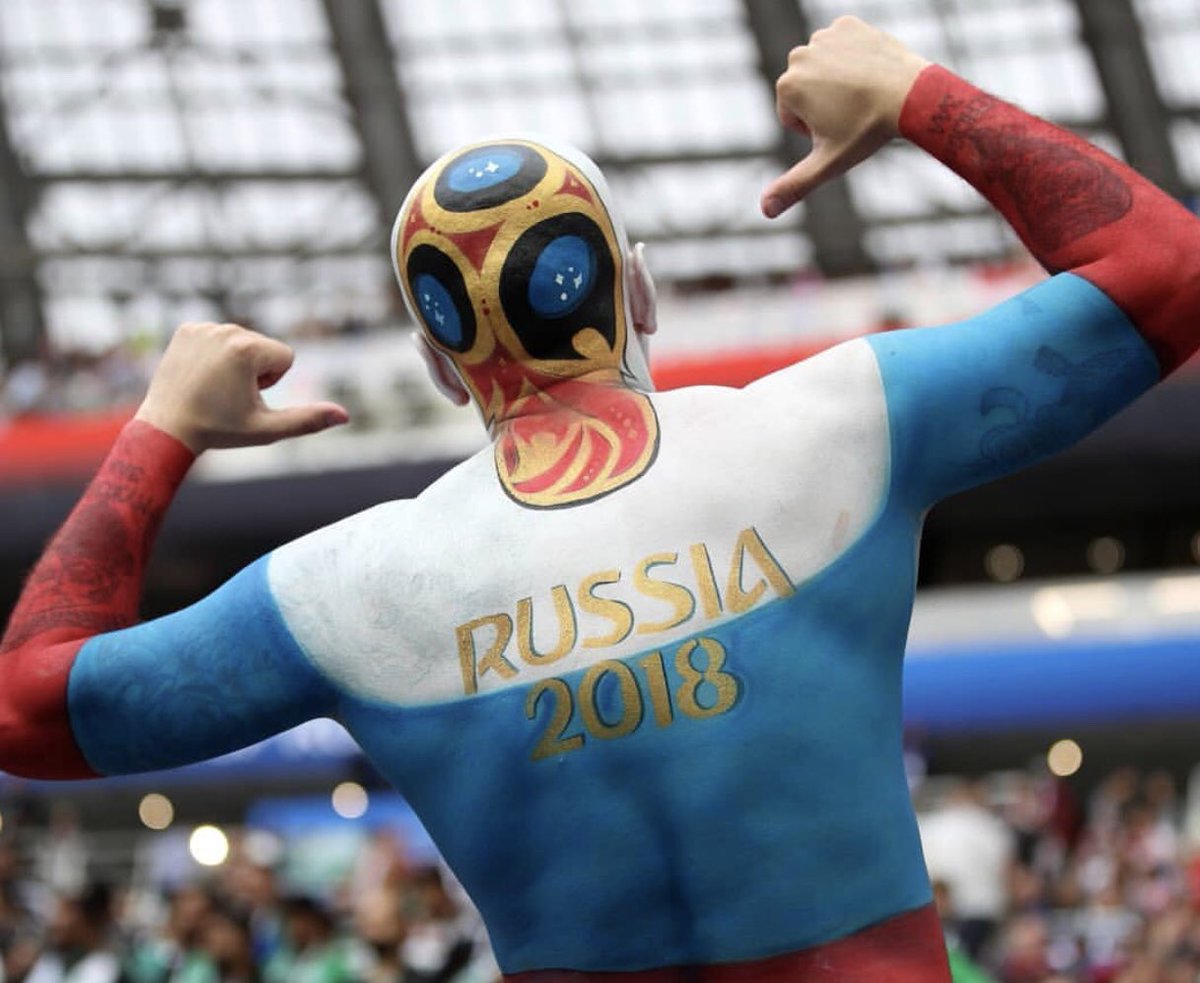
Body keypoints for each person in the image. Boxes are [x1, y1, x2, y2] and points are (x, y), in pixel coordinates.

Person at [1, 14, 1198, 981]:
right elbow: (1167, 272)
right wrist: (915, 92)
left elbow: (26, 708)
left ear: (438, 365)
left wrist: (162, 429)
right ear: (640, 289)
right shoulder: (837, 428)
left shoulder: (343, 591)